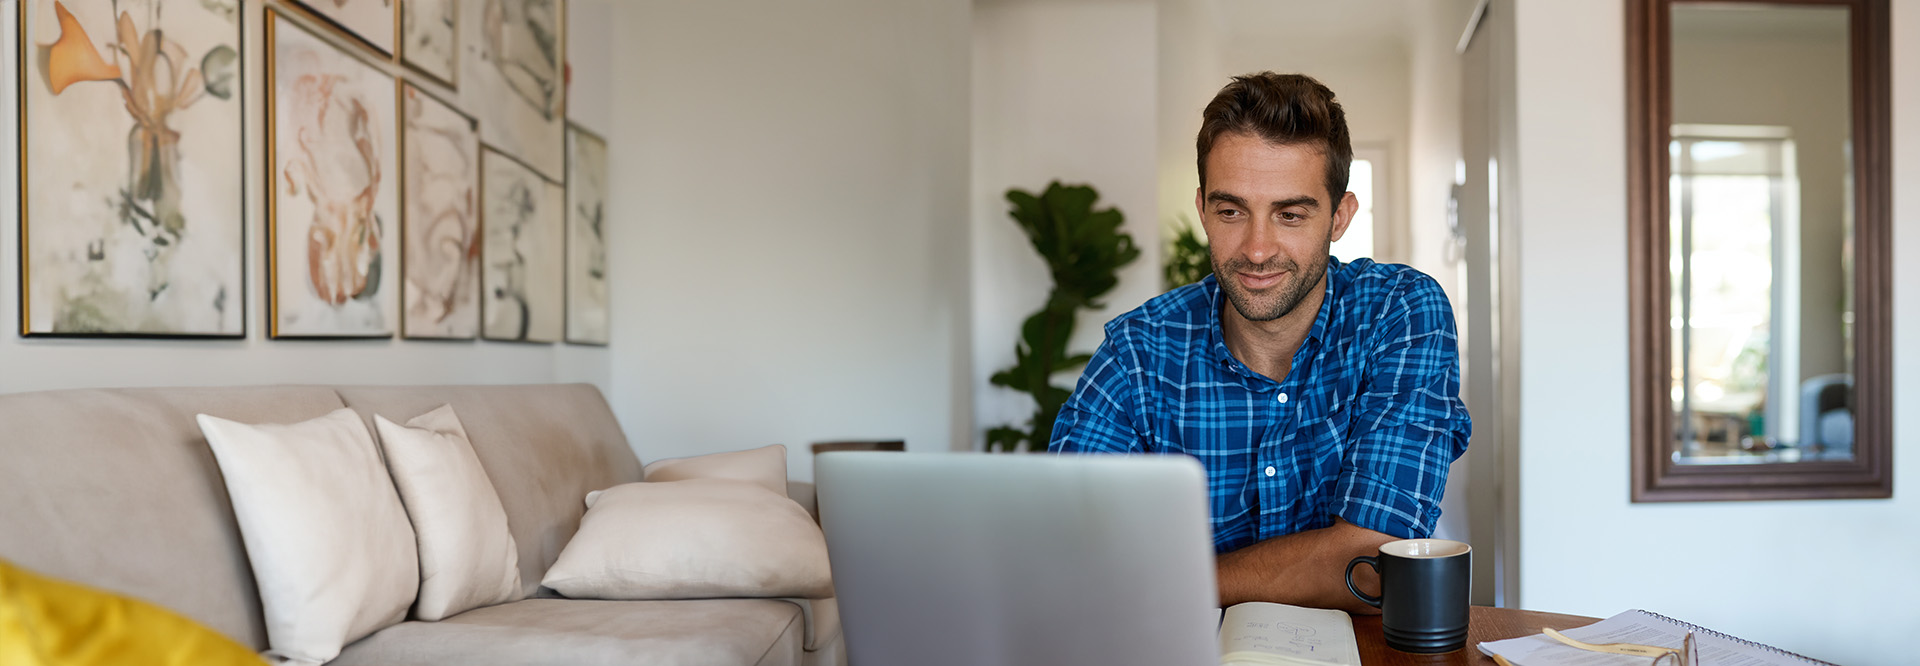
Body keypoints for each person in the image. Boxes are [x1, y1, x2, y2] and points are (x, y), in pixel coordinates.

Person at [1049, 72, 1470, 613]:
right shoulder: (1138, 351)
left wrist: (1156, 581)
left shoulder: (1401, 312)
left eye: (1290, 214)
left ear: (1339, 217)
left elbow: (1373, 564)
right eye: (1232, 211)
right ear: (1202, 209)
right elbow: (1071, 556)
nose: (1256, 249)